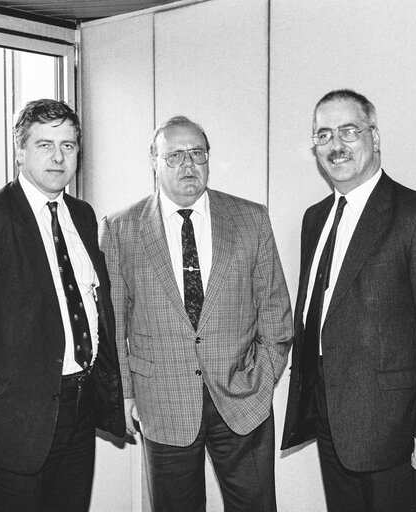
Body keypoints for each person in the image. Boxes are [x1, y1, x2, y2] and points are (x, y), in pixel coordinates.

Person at [0, 99, 125, 512]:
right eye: (44, 144)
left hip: (80, 409)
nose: (57, 157)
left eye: (68, 146)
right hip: (12, 425)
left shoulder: (83, 216)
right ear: (19, 152)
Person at [281, 89, 416, 512]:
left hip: (392, 425)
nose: (336, 145)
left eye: (348, 130)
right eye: (323, 135)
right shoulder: (315, 218)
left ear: (375, 136)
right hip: (328, 413)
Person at [100, 116, 293, 512]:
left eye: (197, 153)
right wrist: (124, 394)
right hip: (163, 403)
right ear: (153, 161)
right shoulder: (121, 228)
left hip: (244, 399)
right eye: (174, 155)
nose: (188, 164)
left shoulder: (251, 218)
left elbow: (275, 308)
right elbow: (114, 323)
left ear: (208, 159)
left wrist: (264, 376)